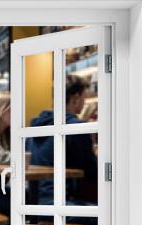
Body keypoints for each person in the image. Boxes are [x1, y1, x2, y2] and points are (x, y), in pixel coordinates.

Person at [28, 75, 97, 206]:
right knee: (110, 216)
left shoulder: (38, 124)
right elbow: (93, 172)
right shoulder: (75, 127)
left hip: (32, 200)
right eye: (84, 98)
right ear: (75, 98)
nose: (84, 102)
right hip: (62, 202)